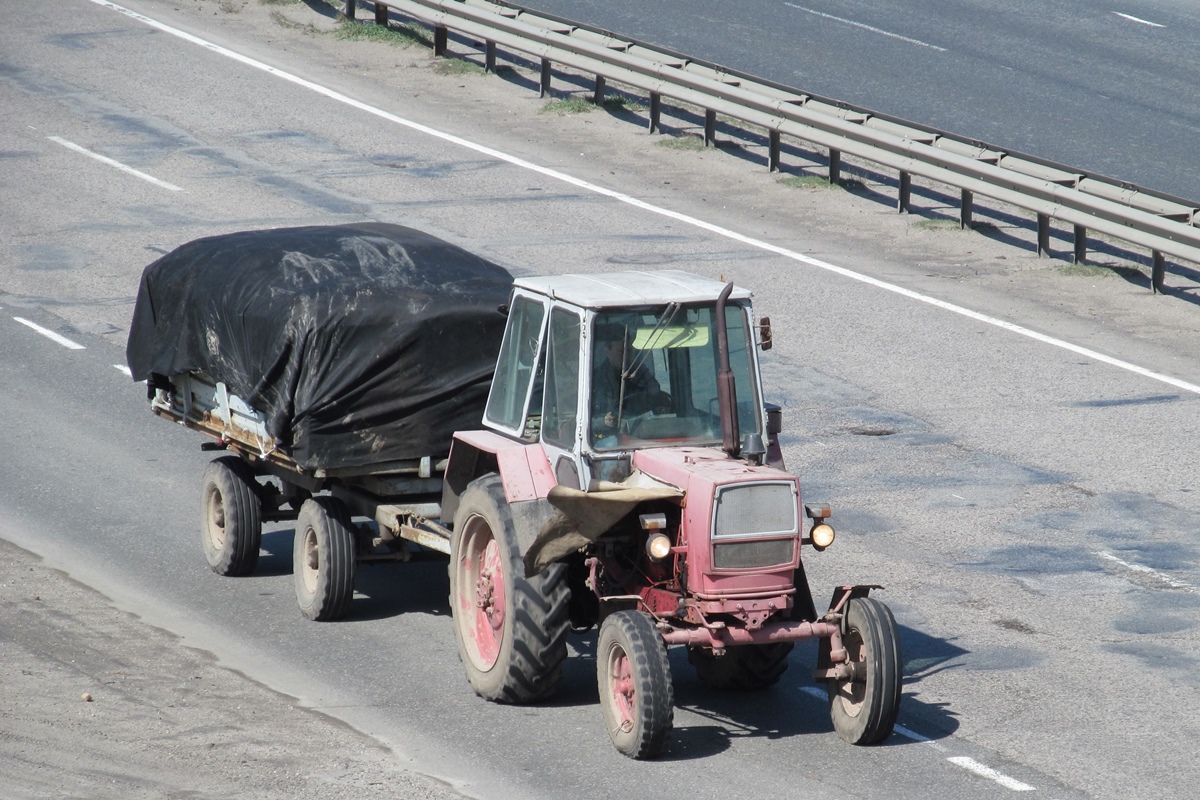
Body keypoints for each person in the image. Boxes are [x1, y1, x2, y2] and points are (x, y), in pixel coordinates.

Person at [591, 326, 664, 441]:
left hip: (640, 433)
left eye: (629, 351)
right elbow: (584, 419)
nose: (627, 357)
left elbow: (655, 392)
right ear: (607, 351)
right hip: (607, 440)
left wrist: (660, 404)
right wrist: (603, 421)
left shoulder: (640, 372)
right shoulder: (595, 379)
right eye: (622, 352)